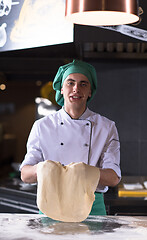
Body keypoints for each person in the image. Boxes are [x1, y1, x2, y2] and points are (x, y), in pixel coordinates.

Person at [20, 59, 121, 215]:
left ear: (90, 91)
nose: (76, 89)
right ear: (61, 88)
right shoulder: (42, 126)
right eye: (70, 83)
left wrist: (87, 172)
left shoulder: (106, 127)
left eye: (83, 84)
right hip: (51, 206)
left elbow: (114, 177)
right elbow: (25, 175)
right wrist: (41, 169)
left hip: (91, 209)